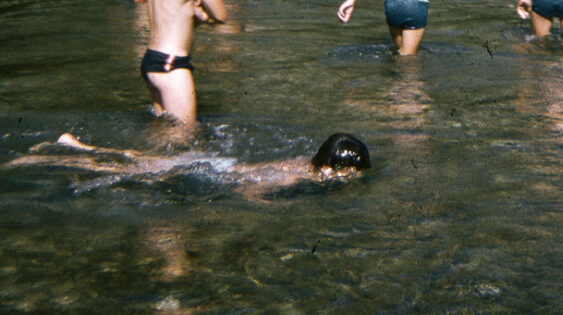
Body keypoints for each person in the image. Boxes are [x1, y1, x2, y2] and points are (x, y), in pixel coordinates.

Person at [6, 131, 370, 193]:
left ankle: (78, 146)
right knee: (125, 170)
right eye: (350, 173)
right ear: (332, 167)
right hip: (216, 174)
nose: (352, 178)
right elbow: (250, 191)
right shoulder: (300, 178)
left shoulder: (305, 161)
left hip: (217, 162)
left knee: (144, 160)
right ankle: (60, 159)